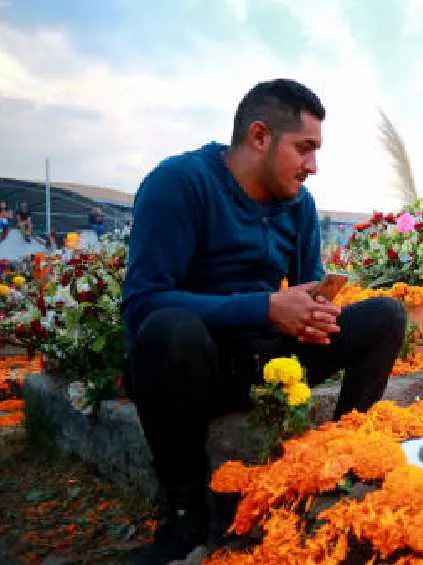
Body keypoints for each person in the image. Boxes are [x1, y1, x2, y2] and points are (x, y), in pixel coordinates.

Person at [122, 79, 407, 564]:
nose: (313, 166)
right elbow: (142, 304)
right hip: (200, 366)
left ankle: (336, 457)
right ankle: (186, 511)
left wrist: (315, 315)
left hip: (272, 361)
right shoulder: (179, 184)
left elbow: (307, 286)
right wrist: (265, 307)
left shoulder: (299, 204)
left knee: (385, 315)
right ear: (259, 137)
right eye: (304, 148)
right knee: (170, 331)